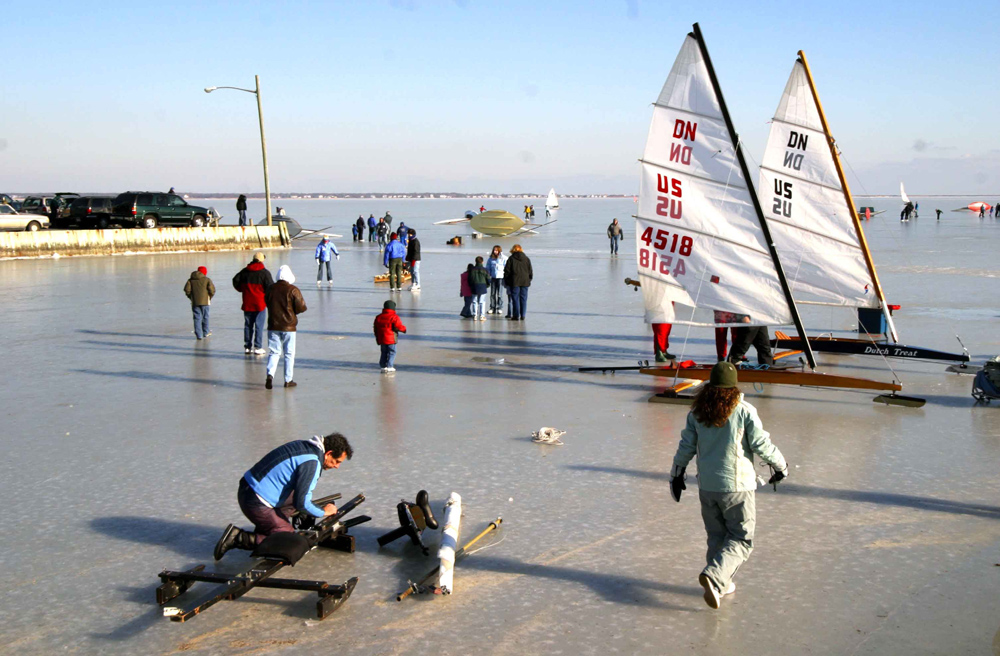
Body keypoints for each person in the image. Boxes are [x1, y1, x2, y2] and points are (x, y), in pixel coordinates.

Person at [669, 361, 788, 610]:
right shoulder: (744, 411)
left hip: (708, 487)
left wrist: (676, 474)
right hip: (737, 487)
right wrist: (780, 466)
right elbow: (761, 444)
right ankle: (715, 577)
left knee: (717, 536)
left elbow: (686, 446)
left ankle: (719, 585)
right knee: (742, 539)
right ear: (734, 386)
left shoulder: (697, 412)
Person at [213, 433, 353, 560]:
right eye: (337, 461)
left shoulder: (305, 445)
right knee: (289, 541)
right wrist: (323, 512)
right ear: (328, 453)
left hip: (248, 489)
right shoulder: (312, 462)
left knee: (297, 494)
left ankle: (269, 528)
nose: (337, 466)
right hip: (256, 500)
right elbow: (302, 503)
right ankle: (237, 538)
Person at [265, 265, 307, 389]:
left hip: (273, 325)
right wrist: (293, 312)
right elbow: (301, 307)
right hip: (289, 326)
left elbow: (267, 303)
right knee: (289, 353)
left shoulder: (270, 289)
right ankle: (288, 380)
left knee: (274, 352)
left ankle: (270, 374)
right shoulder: (293, 289)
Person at [233, 252, 274, 355]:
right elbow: (270, 287)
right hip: (260, 303)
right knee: (259, 325)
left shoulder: (245, 271)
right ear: (262, 260)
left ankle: (247, 347)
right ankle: (257, 346)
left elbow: (235, 280)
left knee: (248, 325)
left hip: (247, 302)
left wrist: (241, 289)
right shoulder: (265, 273)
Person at [374, 299, 407, 373]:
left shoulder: (378, 317)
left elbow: (375, 328)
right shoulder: (394, 317)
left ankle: (383, 366)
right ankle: (390, 366)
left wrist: (377, 337)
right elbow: (398, 326)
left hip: (382, 338)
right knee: (392, 352)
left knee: (384, 352)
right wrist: (404, 329)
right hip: (391, 339)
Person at [184, 266, 216, 340]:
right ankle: (206, 332)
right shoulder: (207, 280)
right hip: (205, 302)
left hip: (195, 302)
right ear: (204, 272)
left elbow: (187, 290)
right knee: (205, 317)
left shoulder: (190, 280)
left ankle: (199, 335)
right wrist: (209, 297)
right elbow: (212, 290)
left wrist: (191, 297)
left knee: (197, 317)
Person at [504, 244, 532, 320]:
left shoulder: (511, 259)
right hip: (525, 281)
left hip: (514, 281)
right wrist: (529, 280)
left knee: (515, 299)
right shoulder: (526, 259)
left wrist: (507, 281)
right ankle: (523, 315)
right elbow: (530, 271)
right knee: (523, 298)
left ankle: (516, 315)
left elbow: (507, 271)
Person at [486, 245, 507, 314]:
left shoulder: (503, 258)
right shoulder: (490, 258)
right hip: (493, 277)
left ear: (499, 251)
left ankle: (499, 307)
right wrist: (488, 275)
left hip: (501, 277)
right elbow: (488, 267)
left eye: (496, 250)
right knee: (492, 293)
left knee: (499, 294)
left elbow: (507, 266)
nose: (495, 251)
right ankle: (492, 307)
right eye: (494, 250)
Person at [469, 256, 490, 321]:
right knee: (482, 302)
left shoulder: (472, 269)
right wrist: (487, 285)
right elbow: (488, 279)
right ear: (482, 262)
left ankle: (475, 315)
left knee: (474, 301)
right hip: (483, 286)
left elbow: (469, 279)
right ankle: (482, 316)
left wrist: (471, 285)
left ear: (475, 261)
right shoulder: (485, 269)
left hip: (474, 286)